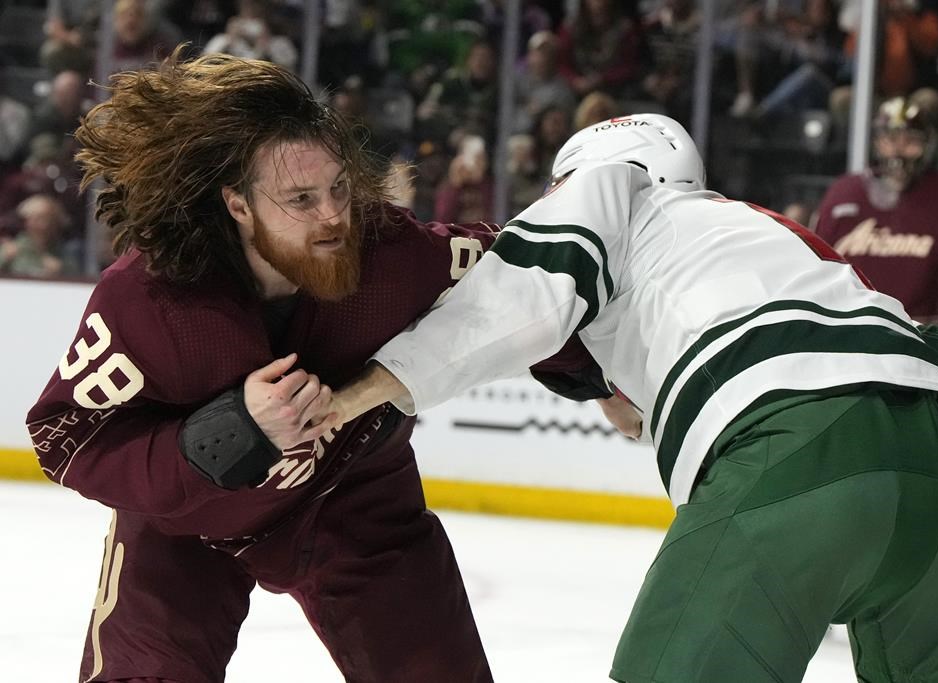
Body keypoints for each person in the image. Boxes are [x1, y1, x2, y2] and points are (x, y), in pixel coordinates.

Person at [328, 113, 938, 682]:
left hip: (799, 459)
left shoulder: (613, 187)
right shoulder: (791, 248)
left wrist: (350, 397)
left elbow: (522, 291)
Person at [21, 48, 568, 683]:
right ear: (238, 204)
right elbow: (65, 436)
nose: (334, 214)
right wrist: (225, 435)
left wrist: (590, 372)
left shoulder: (389, 253)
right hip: (187, 531)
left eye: (339, 187)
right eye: (300, 198)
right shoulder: (149, 299)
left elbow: (531, 278)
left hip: (353, 499)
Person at [815, 92, 938, 324]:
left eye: (910, 142)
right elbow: (818, 275)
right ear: (876, 143)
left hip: (923, 343)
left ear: (928, 144)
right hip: (850, 334)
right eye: (890, 140)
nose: (898, 151)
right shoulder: (843, 194)